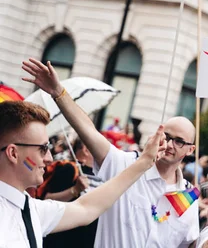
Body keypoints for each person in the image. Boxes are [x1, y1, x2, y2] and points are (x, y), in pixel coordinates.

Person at [22, 58, 200, 248]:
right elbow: (89, 132)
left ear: (190, 150)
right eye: (166, 136)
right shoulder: (126, 165)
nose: (170, 144)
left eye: (179, 141)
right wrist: (58, 93)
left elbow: (188, 244)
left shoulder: (189, 195)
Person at [0, 100, 166, 247]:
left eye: (49, 148)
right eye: (43, 149)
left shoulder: (30, 209)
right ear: (13, 153)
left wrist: (144, 163)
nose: (50, 158)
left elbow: (86, 208)